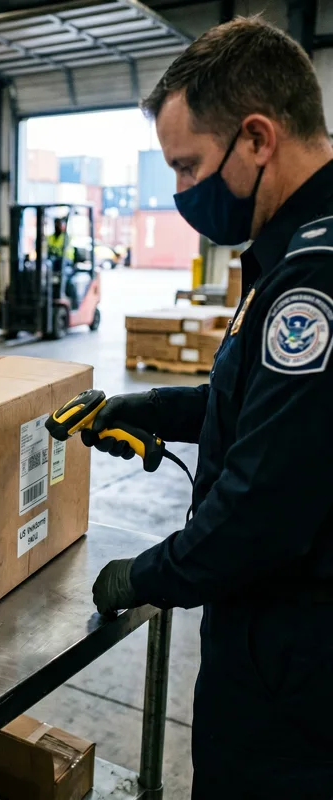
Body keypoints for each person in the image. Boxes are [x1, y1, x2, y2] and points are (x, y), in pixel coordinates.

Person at [83, 18, 333, 799]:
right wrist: (158, 408)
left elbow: (263, 506)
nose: (182, 193)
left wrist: (145, 576)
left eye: (189, 166)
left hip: (296, 672)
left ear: (258, 138)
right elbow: (273, 410)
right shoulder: (295, 252)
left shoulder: (315, 283)